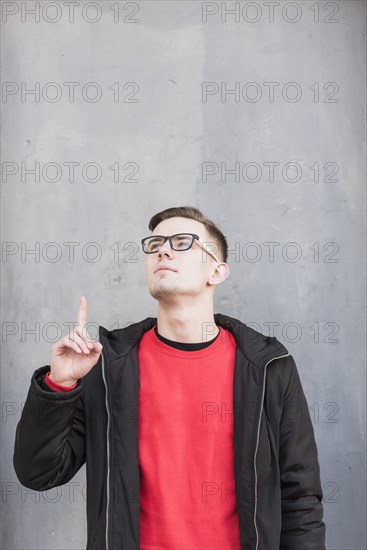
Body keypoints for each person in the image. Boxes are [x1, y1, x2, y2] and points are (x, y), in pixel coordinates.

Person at [13, 206, 326, 550]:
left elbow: (300, 497)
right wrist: (60, 385)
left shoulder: (267, 367)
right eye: (156, 243)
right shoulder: (108, 366)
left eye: (182, 242)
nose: (163, 249)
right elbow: (39, 473)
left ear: (217, 271)